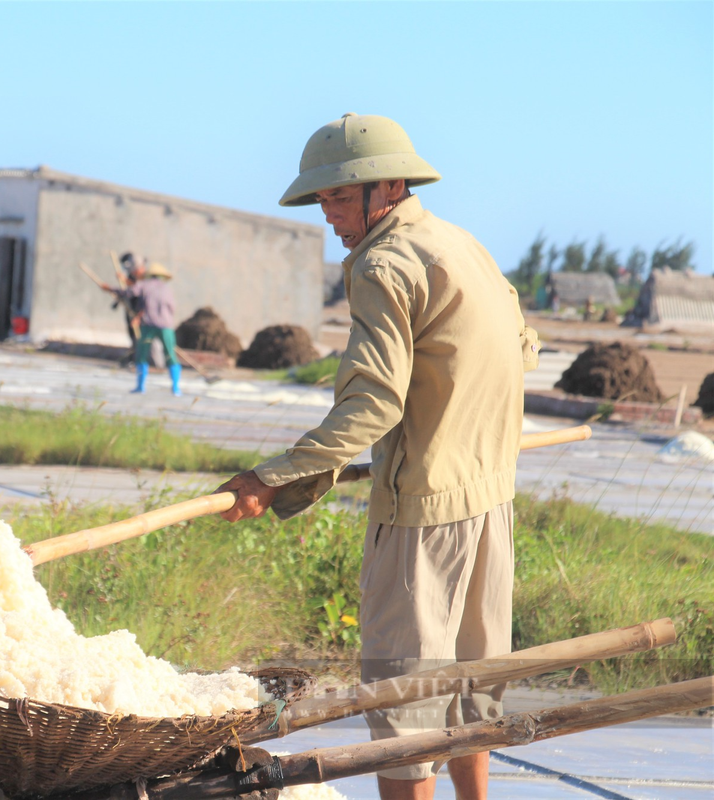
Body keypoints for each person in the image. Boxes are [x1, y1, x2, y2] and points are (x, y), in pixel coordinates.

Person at [217, 113, 539, 800]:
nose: (329, 215)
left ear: (387, 186)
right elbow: (523, 347)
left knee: (405, 710)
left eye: (338, 197)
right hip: (490, 504)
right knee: (473, 692)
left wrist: (272, 478)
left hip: (422, 518)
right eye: (324, 200)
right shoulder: (461, 245)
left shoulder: (382, 264)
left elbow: (372, 405)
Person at [102, 262, 182, 396]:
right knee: (170, 355)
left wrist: (110, 288)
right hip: (166, 326)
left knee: (142, 356)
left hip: (148, 326)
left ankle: (140, 387)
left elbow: (129, 292)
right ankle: (176, 388)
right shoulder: (167, 289)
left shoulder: (144, 285)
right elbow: (169, 307)